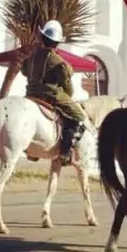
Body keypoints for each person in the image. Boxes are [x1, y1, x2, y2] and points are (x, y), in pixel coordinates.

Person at [21, 20, 88, 166]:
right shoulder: (58, 62)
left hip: (30, 93)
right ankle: (65, 152)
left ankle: (33, 152)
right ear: (57, 43)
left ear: (42, 38)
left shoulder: (30, 58)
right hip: (49, 95)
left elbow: (24, 71)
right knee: (79, 115)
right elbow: (68, 89)